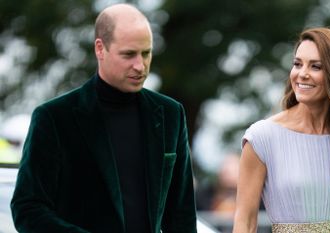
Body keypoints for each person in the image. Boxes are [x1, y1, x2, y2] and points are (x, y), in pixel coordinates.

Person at [10, 3, 197, 233]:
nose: (140, 65)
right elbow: (27, 208)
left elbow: (182, 215)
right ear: (100, 48)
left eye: (146, 53)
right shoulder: (54, 118)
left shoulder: (170, 114)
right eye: (128, 54)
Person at [232, 27, 330, 233]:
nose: (302, 74)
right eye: (297, 64)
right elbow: (245, 223)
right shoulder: (262, 138)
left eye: (315, 66)